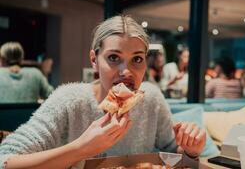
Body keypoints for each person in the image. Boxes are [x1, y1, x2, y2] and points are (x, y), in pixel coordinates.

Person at [0, 16, 206, 168]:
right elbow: (5, 160)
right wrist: (82, 148)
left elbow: (173, 154)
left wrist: (190, 149)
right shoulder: (69, 100)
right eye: (114, 58)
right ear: (94, 61)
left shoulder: (151, 98)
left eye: (137, 59)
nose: (126, 72)